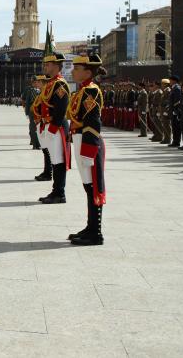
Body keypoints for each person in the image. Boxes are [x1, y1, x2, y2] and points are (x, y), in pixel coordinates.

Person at [66, 54, 106, 246]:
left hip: (88, 142)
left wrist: (89, 151)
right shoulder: (82, 91)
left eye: (77, 68)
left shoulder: (91, 92)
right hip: (80, 139)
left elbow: (92, 123)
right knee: (87, 187)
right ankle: (90, 227)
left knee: (93, 187)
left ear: (88, 72)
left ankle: (96, 233)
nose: (73, 71)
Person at [35, 52, 71, 204]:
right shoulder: (51, 83)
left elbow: (61, 110)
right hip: (49, 125)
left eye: (48, 64)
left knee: (58, 161)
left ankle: (59, 193)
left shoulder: (60, 84)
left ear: (56, 66)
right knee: (55, 160)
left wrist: (52, 128)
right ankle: (56, 191)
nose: (45, 67)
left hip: (56, 127)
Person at [22, 76, 41, 149]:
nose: (36, 83)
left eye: (37, 82)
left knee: (39, 127)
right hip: (32, 110)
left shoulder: (41, 89)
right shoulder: (28, 89)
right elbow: (24, 100)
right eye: (34, 82)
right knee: (33, 127)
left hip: (39, 111)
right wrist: (26, 110)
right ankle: (35, 144)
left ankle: (38, 142)